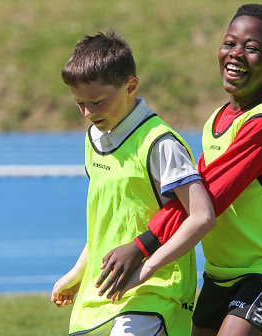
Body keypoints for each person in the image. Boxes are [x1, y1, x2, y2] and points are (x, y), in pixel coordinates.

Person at [97, 4, 262, 336]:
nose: (235, 54)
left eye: (252, 49)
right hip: (222, 270)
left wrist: (144, 245)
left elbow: (212, 197)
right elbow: (195, 192)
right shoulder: (218, 120)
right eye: (230, 43)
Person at [50, 31, 215, 336]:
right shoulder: (94, 139)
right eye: (79, 103)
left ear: (130, 86)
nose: (88, 113)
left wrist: (149, 268)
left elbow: (202, 216)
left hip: (155, 292)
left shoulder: (160, 143)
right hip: (107, 290)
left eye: (97, 101)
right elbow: (108, 223)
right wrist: (78, 272)